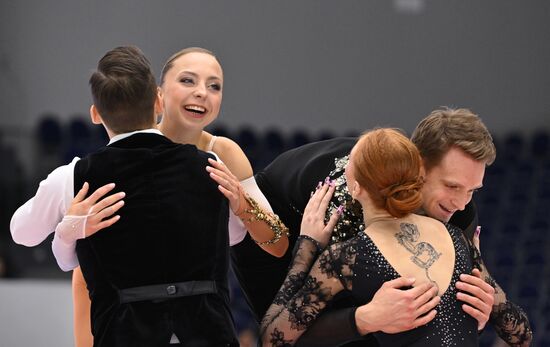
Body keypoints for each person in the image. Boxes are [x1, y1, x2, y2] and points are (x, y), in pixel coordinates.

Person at [37, 47, 288, 347]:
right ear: (158, 94)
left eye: (214, 86)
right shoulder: (123, 154)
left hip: (203, 313)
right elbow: (87, 272)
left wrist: (242, 203)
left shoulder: (224, 154)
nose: (201, 94)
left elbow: (278, 244)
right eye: (187, 81)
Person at [231, 108, 531, 346]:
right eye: (452, 186)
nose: (462, 203)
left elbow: (447, 323)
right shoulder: (350, 204)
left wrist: (480, 314)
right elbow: (282, 334)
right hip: (279, 224)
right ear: (419, 165)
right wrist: (362, 316)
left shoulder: (459, 217)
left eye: (472, 190)